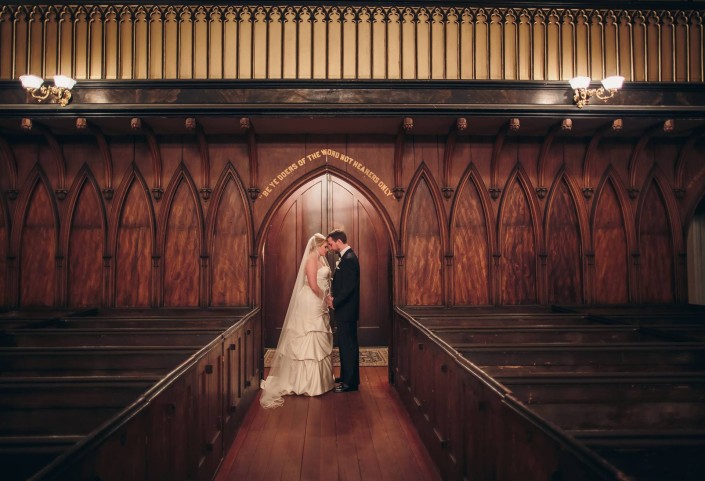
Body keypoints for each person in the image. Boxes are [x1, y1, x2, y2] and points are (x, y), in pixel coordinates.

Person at [260, 233, 335, 408]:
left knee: (318, 339)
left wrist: (327, 297)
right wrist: (326, 299)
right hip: (311, 301)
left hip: (320, 303)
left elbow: (325, 282)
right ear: (317, 246)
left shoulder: (322, 260)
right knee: (307, 337)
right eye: (325, 247)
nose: (327, 249)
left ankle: (321, 381)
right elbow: (313, 285)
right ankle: (303, 383)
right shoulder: (310, 260)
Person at [326, 229, 360, 393]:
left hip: (347, 310)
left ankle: (350, 383)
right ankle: (347, 377)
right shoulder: (346, 258)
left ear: (339, 241)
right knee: (345, 345)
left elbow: (348, 288)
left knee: (348, 346)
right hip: (345, 310)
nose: (331, 248)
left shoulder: (349, 259)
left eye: (331, 244)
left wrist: (335, 302)